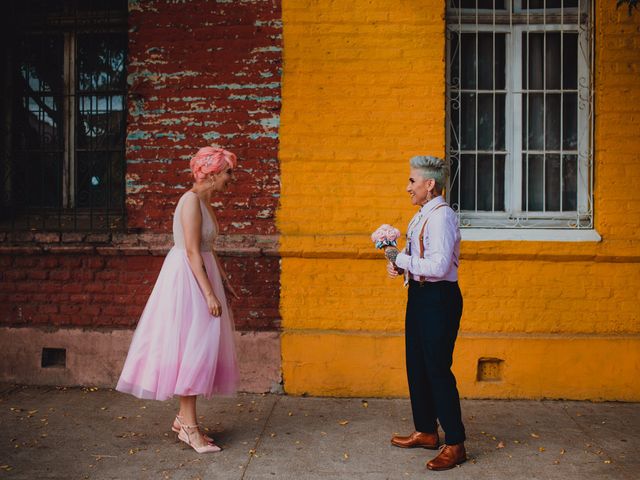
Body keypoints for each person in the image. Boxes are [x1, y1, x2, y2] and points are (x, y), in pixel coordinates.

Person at [116, 146, 240, 453]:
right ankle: (189, 427)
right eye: (228, 172)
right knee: (193, 349)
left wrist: (223, 281)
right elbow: (192, 251)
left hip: (202, 274)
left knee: (200, 348)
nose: (231, 178)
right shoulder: (190, 201)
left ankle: (183, 419)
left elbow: (208, 248)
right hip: (189, 281)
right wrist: (209, 292)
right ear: (212, 174)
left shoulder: (205, 202)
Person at [384, 155, 466, 471]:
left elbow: (439, 266)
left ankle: (455, 442)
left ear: (429, 184)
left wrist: (403, 261)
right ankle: (427, 431)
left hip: (439, 299)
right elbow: (416, 256)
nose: (408, 188)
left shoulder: (442, 217)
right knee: (416, 363)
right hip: (419, 296)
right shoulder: (421, 216)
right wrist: (399, 264)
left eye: (412, 181)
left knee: (437, 368)